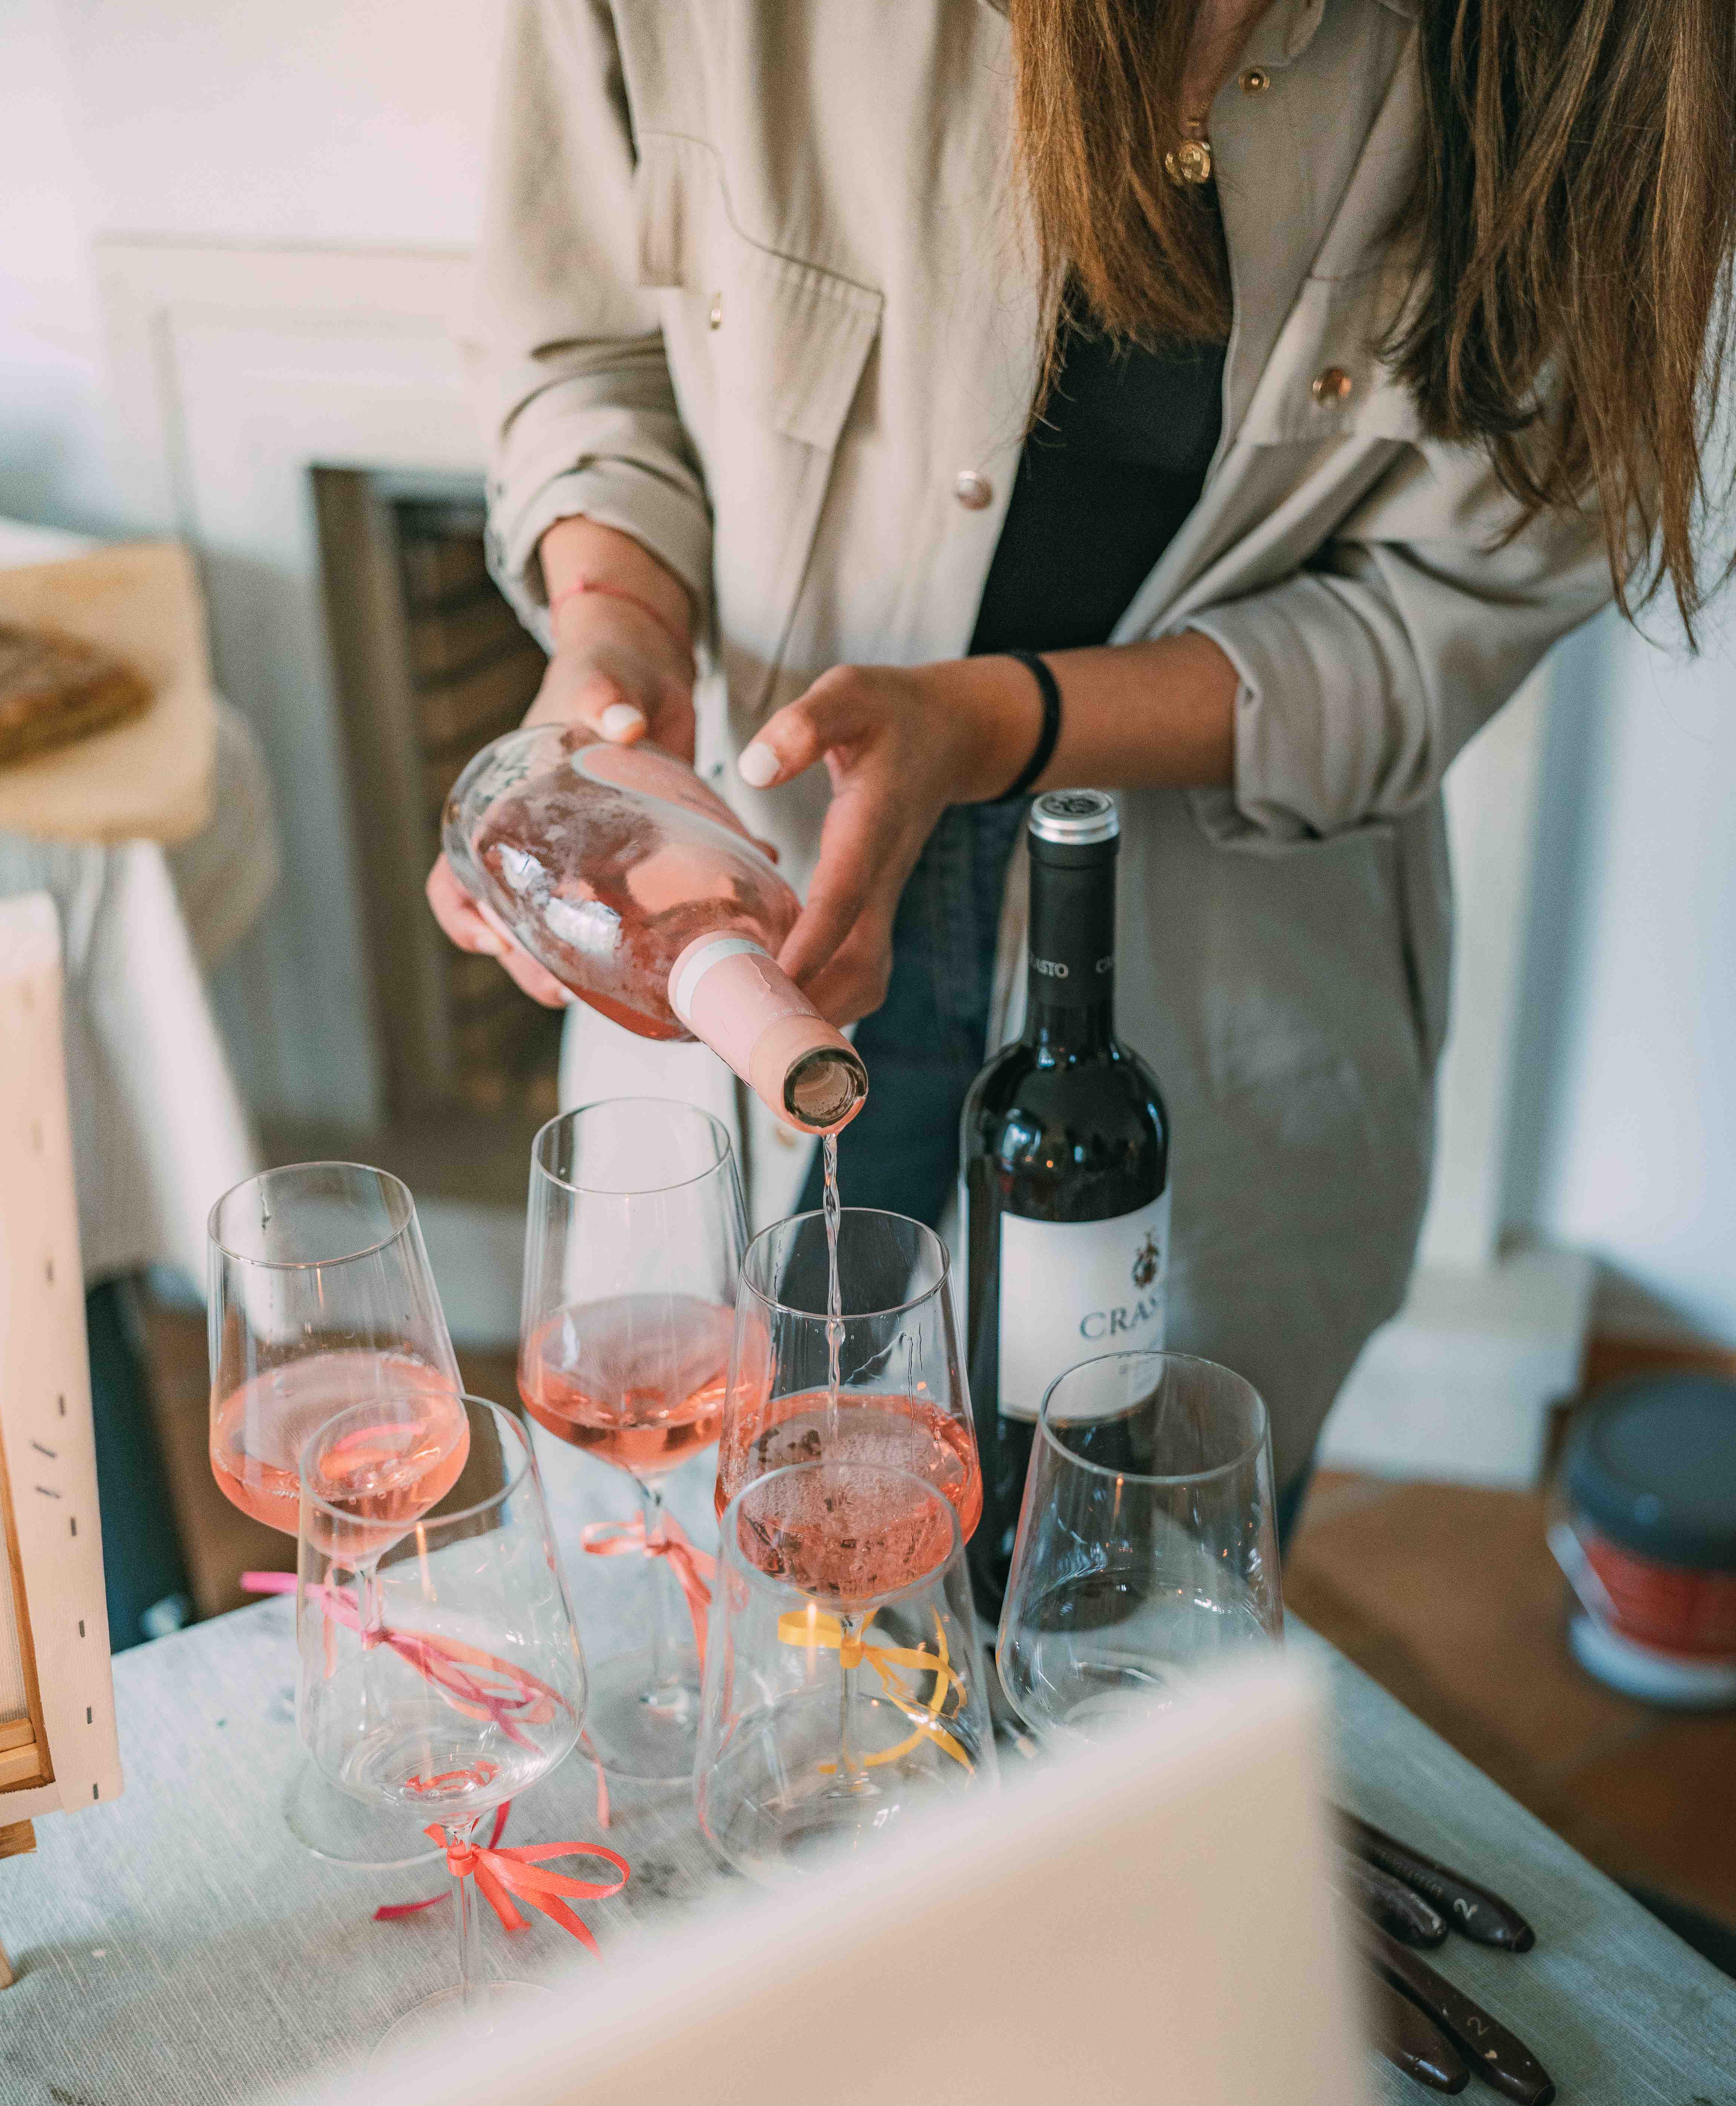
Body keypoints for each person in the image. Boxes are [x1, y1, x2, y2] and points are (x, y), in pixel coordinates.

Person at [431, 0, 1735, 1513]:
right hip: (760, 850)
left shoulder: (1593, 46)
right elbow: (580, 343)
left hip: (1220, 977)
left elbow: (1457, 607)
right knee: (727, 1562)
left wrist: (991, 727)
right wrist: (618, 630)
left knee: (1120, 1600)